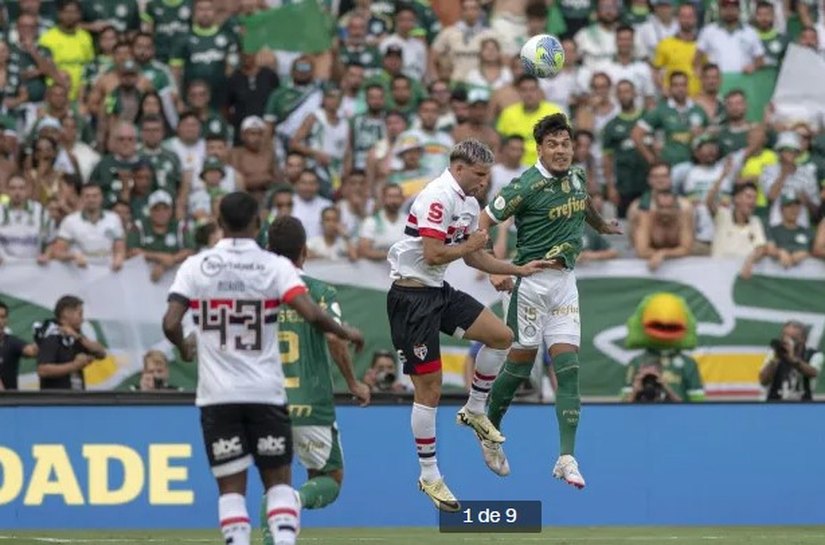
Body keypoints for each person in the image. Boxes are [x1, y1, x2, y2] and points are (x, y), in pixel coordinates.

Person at [162, 192, 364, 545]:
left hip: (218, 396)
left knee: (232, 488)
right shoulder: (275, 271)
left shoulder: (198, 266)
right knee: (283, 482)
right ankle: (285, 529)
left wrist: (184, 347)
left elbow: (170, 324)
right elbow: (314, 315)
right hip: (273, 395)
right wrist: (346, 333)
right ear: (256, 224)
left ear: (219, 223)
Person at [386, 139, 551, 511]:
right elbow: (433, 253)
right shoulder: (436, 197)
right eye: (479, 175)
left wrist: (514, 269)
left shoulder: (469, 202)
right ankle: (429, 476)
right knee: (429, 389)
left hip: (437, 291)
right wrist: (470, 244)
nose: (483, 183)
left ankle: (475, 409)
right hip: (410, 299)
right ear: (458, 169)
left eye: (486, 176)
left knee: (501, 336)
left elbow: (476, 257)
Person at [481, 114, 621, 487]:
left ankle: (566, 457)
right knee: (521, 366)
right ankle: (489, 428)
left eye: (566, 144)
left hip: (564, 284)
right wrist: (496, 266)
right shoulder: (525, 185)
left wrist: (602, 225)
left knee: (569, 369)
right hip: (530, 283)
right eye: (553, 145)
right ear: (540, 149)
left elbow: (584, 203)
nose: (561, 151)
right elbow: (484, 221)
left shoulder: (576, 176)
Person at [258, 215, 369, 545]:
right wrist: (353, 382)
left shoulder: (256, 294)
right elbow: (335, 339)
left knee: (276, 483)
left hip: (264, 403)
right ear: (305, 251)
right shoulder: (319, 291)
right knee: (329, 480)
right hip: (310, 401)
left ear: (267, 251)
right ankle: (297, 501)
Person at [37, 294, 106, 391]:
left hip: (77, 398)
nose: (82, 319)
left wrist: (78, 337)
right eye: (80, 314)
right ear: (66, 313)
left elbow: (102, 354)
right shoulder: (51, 337)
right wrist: (75, 366)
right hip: (57, 401)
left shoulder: (77, 338)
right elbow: (43, 370)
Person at [50, 183, 126, 270]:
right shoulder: (70, 221)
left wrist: (119, 258)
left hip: (107, 274)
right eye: (87, 196)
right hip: (79, 274)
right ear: (81, 199)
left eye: (95, 196)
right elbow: (58, 252)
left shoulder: (113, 218)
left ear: (101, 198)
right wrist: (73, 256)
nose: (91, 199)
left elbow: (120, 248)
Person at [760, 320, 823, 402]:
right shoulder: (775, 353)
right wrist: (775, 360)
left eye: (793, 338)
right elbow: (763, 381)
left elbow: (813, 373)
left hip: (803, 407)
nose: (787, 341)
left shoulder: (814, 355)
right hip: (775, 405)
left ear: (803, 339)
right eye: (784, 337)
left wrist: (792, 359)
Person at [357, 184, 405, 261]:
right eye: (390, 197)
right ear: (383, 199)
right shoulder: (371, 222)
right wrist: (390, 256)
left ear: (402, 199)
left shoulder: (409, 222)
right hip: (377, 271)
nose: (394, 201)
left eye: (397, 197)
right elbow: (363, 251)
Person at [0, 301, 38, 390]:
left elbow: (32, 351)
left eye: (2, 317)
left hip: (9, 400)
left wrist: (40, 339)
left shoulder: (12, 342)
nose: (0, 321)